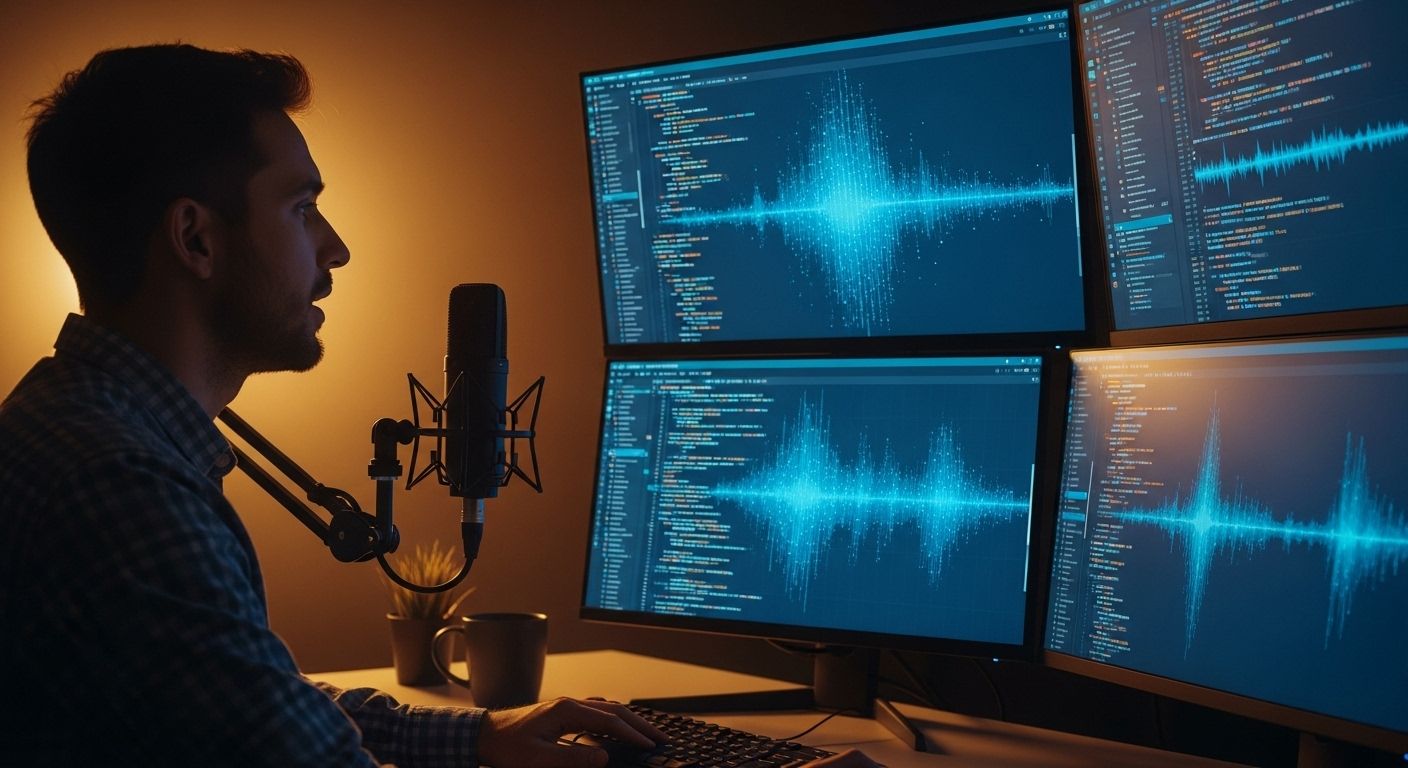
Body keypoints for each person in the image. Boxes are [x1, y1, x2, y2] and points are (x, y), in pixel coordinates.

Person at [0, 44, 879, 768]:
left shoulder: (70, 423)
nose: (335, 249)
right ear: (196, 237)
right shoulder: (124, 487)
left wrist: (477, 737)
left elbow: (246, 698)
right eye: (301, 209)